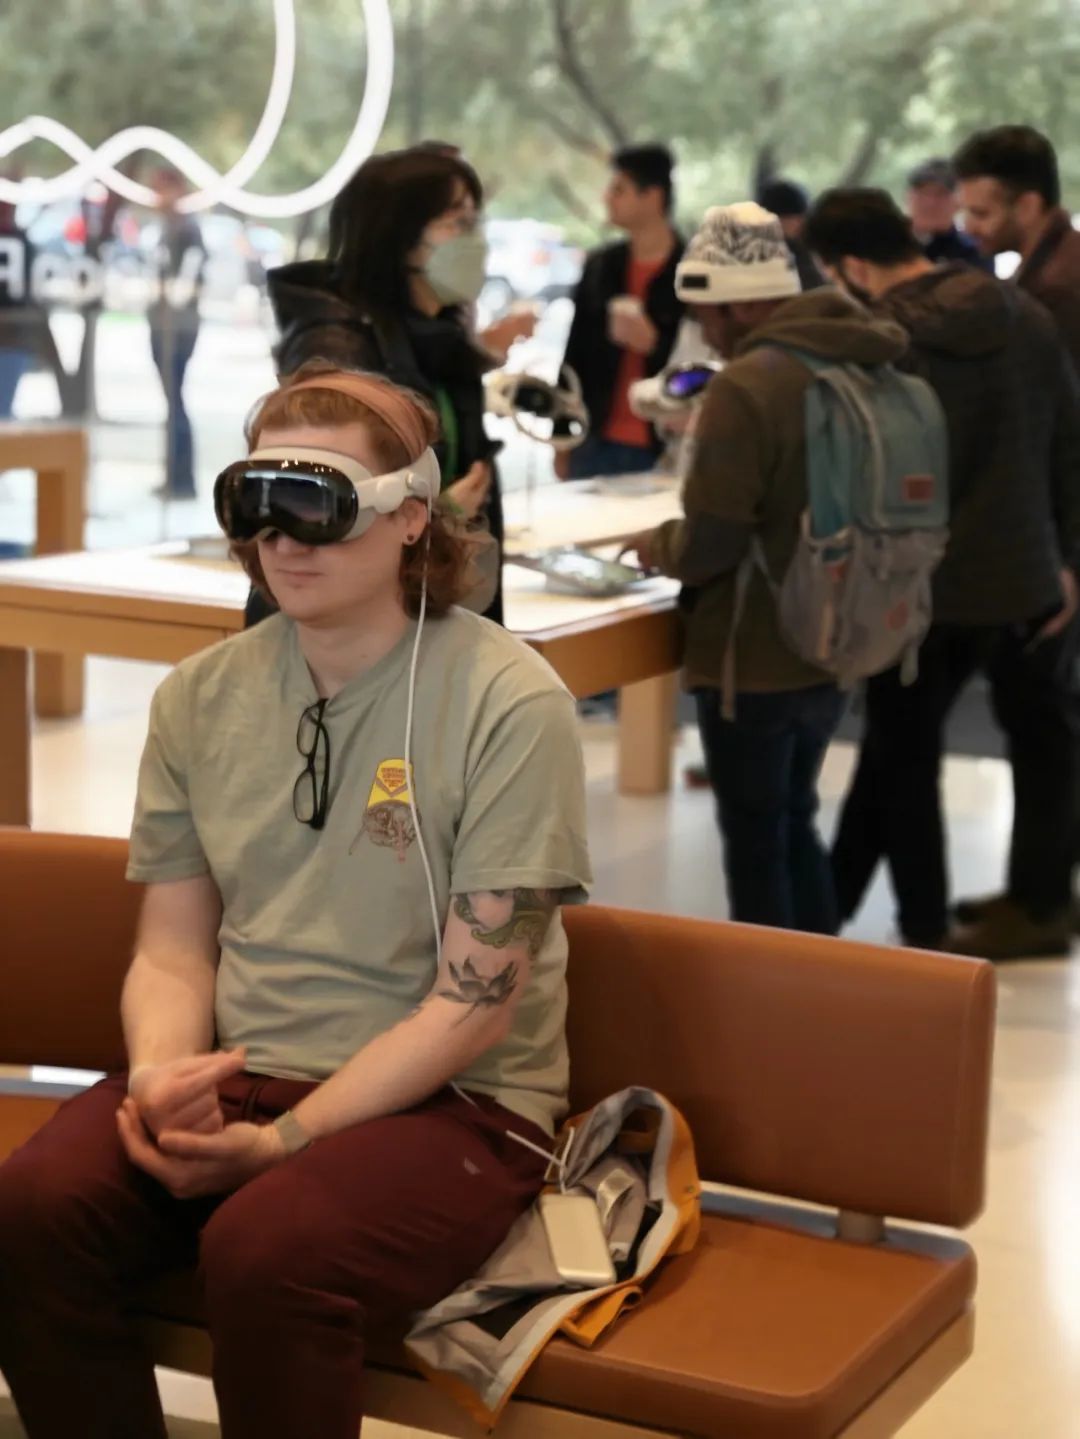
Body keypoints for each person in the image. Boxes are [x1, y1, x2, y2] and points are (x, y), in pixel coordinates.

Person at [0, 365, 592, 1439]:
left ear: (411, 516)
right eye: (256, 504)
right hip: (245, 1069)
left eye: (319, 503)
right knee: (29, 1210)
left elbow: (474, 1005)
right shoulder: (202, 696)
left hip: (457, 1103)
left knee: (267, 1250)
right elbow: (173, 951)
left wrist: (286, 1141)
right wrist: (165, 1078)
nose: (283, 539)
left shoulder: (509, 702)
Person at [805, 189, 1080, 955]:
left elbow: (866, 477)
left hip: (921, 582)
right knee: (1027, 741)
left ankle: (918, 924)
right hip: (1026, 575)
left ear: (853, 265)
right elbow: (1069, 439)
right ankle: (840, 903)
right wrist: (1069, 558)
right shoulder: (1025, 315)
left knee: (903, 750)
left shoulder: (885, 342)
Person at [626, 202, 907, 934]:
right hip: (841, 631)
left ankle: (772, 989)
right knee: (795, 818)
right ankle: (819, 972)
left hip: (752, 651)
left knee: (756, 840)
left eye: (710, 313)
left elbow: (714, 540)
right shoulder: (864, 361)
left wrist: (659, 544)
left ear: (745, 302)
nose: (706, 330)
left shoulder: (749, 387)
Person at [267, 146, 506, 621]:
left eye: (475, 222)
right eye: (456, 222)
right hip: (360, 619)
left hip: (436, 595)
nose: (474, 240)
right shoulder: (337, 347)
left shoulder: (441, 340)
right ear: (400, 235)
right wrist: (436, 515)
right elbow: (321, 502)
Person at [558, 143, 684, 479]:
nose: (607, 198)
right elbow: (574, 355)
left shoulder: (689, 271)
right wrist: (561, 437)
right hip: (594, 439)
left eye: (619, 190)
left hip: (664, 444)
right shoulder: (601, 266)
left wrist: (655, 344)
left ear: (653, 197)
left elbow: (706, 365)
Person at [954, 125, 1080, 373]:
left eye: (980, 213)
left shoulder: (1057, 290)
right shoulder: (1059, 262)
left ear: (1027, 206)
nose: (968, 228)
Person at [147, 167, 206, 500]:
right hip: (164, 324)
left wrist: (173, 301)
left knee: (175, 401)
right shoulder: (168, 228)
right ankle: (175, 475)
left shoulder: (187, 229)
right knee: (172, 402)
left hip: (177, 328)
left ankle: (181, 478)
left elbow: (186, 280)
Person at [905, 159, 990, 269]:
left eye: (941, 194)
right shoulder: (890, 246)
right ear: (908, 197)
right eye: (922, 193)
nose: (930, 203)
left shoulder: (974, 253)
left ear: (959, 203)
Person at [757, 178, 826, 291]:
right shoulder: (760, 250)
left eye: (801, 218)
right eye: (793, 220)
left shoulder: (811, 247)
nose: (800, 224)